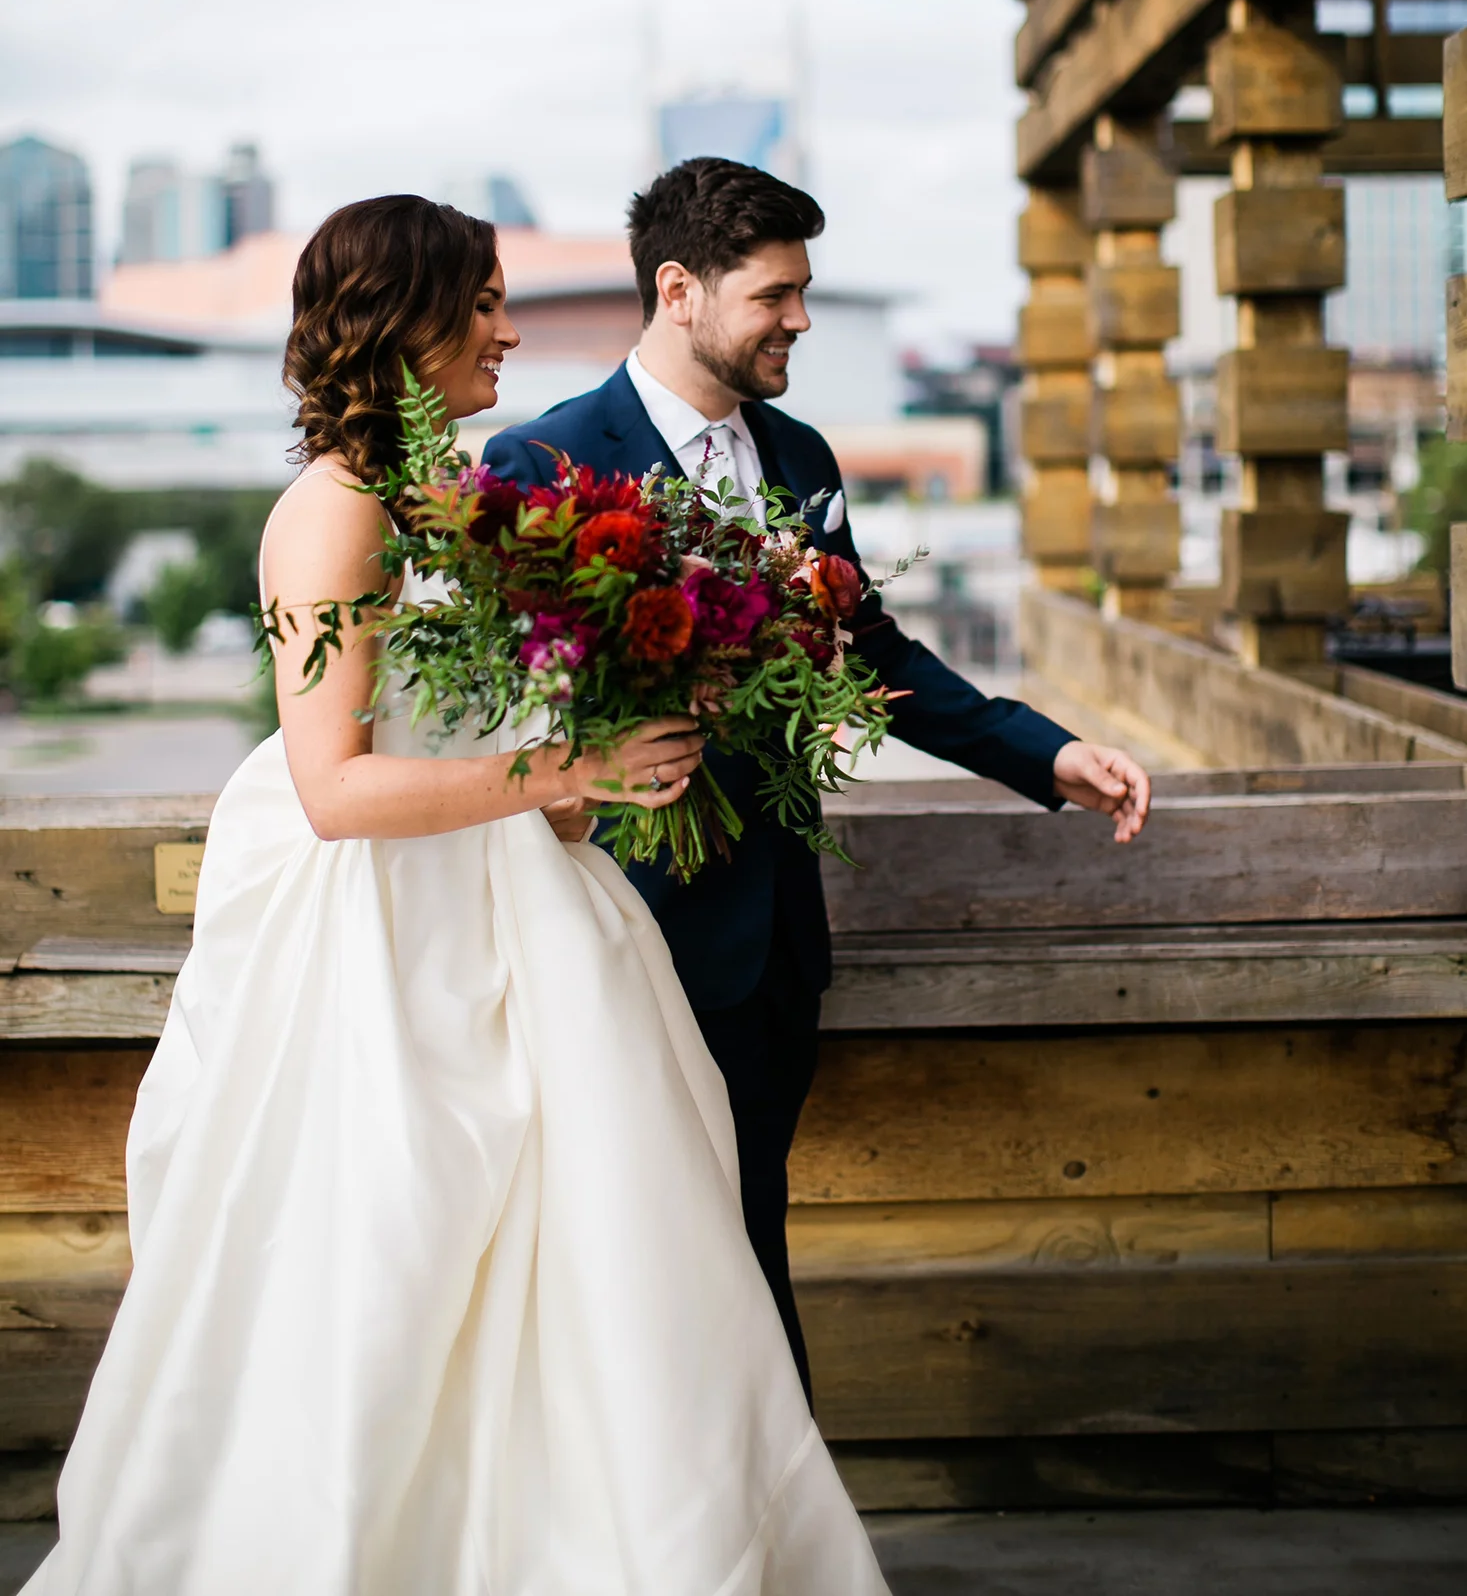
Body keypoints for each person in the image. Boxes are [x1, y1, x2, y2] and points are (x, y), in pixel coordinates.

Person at [24, 195, 890, 1596]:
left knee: (602, 1242)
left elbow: (483, 723)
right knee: (383, 1239)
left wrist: (607, 752)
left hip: (516, 899)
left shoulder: (457, 500)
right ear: (408, 323)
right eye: (483, 302)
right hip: (373, 939)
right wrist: (572, 758)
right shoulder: (332, 518)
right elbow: (336, 791)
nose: (509, 327)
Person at [485, 157, 1151, 1395]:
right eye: (776, 295)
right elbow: (501, 719)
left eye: (804, 293)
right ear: (679, 290)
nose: (799, 318)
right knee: (622, 1261)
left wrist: (1047, 755)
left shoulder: (800, 455)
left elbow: (878, 658)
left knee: (748, 1237)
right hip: (618, 934)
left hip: (772, 941)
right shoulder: (543, 466)